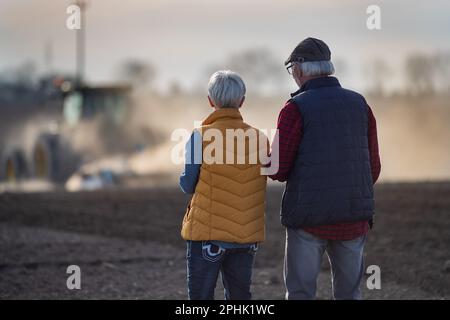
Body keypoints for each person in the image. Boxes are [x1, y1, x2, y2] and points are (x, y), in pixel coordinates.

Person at [270, 37, 381, 300]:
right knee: (350, 294)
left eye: (291, 70)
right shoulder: (360, 104)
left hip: (308, 219)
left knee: (300, 293)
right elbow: (373, 167)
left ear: (298, 69)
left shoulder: (295, 108)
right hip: (354, 217)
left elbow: (278, 169)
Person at [179, 70, 268, 300]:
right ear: (242, 101)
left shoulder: (200, 136)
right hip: (246, 237)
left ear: (210, 101)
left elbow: (188, 184)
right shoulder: (261, 138)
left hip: (207, 236)